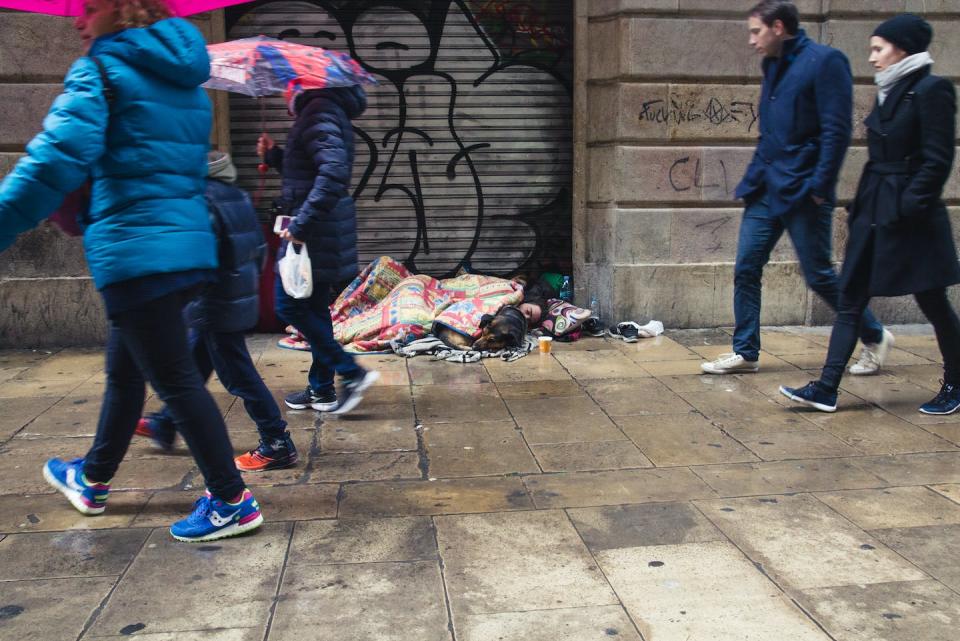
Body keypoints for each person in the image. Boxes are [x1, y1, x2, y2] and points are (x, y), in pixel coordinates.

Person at [0, 0, 262, 542]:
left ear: (121, 8)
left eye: (88, 7)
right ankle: (94, 477)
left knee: (177, 382)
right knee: (125, 373)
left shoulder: (100, 70)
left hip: (136, 252)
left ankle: (230, 500)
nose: (76, 20)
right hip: (181, 249)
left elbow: (52, 161)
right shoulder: (186, 78)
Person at [701, 0, 894, 376]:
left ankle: (874, 334)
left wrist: (820, 186)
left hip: (804, 190)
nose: (751, 40)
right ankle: (746, 351)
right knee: (745, 268)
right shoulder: (771, 64)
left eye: (756, 31)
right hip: (765, 188)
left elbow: (837, 130)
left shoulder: (825, 61)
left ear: (777, 27)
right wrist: (755, 175)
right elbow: (772, 131)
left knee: (819, 274)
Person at [781, 14, 960, 414]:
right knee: (850, 298)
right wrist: (860, 207)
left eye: (879, 48)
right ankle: (826, 387)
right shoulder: (889, 90)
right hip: (874, 212)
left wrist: (908, 205)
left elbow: (938, 160)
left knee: (933, 303)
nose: (872, 57)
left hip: (911, 219)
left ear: (903, 48)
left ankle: (956, 384)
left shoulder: (932, 90)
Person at [136, 151, 299, 471]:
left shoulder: (202, 201)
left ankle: (277, 441)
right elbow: (259, 250)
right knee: (195, 366)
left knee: (239, 375)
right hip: (232, 299)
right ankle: (167, 423)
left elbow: (194, 257)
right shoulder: (237, 197)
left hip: (214, 304)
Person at [258, 83, 379, 415]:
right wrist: (275, 156)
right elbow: (310, 174)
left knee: (289, 307)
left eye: (289, 83)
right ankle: (322, 389)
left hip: (313, 234)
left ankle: (351, 373)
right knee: (312, 309)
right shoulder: (323, 111)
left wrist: (300, 226)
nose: (283, 89)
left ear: (302, 85)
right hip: (320, 231)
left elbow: (333, 174)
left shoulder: (319, 111)